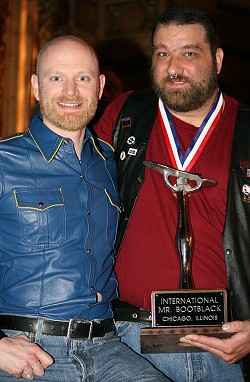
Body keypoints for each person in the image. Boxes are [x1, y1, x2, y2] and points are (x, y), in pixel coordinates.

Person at [0, 35, 170, 382]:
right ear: (35, 86)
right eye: (56, 78)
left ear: (100, 87)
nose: (71, 92)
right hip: (27, 352)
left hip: (107, 347)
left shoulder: (108, 162)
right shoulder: (4, 161)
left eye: (83, 78)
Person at [94, 5, 250, 382]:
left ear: (217, 59)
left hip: (225, 344)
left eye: (188, 53)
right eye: (162, 53)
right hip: (127, 340)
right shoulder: (126, 113)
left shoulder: (246, 128)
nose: (173, 67)